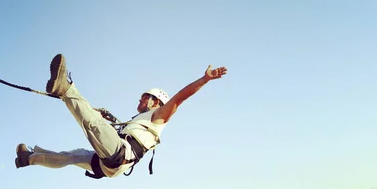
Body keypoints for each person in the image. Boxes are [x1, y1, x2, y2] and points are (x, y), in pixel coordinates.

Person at [15, 54, 227, 179]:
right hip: (111, 160)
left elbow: (180, 98)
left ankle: (65, 88)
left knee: (93, 123)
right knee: (71, 155)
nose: (140, 101)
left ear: (156, 102)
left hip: (119, 155)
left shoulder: (159, 115)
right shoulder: (140, 121)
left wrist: (204, 79)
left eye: (145, 98)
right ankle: (29, 158)